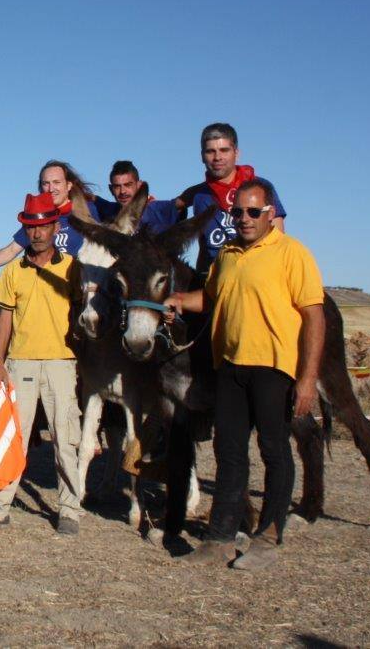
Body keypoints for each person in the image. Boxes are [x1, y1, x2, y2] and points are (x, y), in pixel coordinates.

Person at [166, 180, 325, 570]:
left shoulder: (292, 253)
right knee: (229, 452)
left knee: (273, 449)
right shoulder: (228, 255)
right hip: (231, 366)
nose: (245, 219)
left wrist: (306, 379)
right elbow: (211, 298)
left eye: (254, 211)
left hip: (273, 366)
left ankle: (268, 537)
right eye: (238, 212)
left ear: (271, 212)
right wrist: (176, 301)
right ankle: (219, 538)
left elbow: (313, 315)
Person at [0, 192, 85, 534]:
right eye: (30, 227)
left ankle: (69, 511)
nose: (36, 233)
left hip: (62, 364)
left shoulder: (72, 269)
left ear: (54, 227)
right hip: (20, 363)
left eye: (43, 226)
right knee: (10, 436)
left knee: (66, 438)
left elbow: (81, 314)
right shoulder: (13, 272)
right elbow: (3, 319)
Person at [177, 123, 286, 278]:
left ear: (236, 153)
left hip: (257, 274)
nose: (217, 157)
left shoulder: (260, 187)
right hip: (216, 278)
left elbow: (278, 237)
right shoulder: (200, 195)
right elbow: (204, 246)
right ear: (202, 156)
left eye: (224, 150)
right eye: (210, 151)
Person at [0, 160, 99, 268]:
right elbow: (11, 250)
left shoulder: (91, 208)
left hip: (81, 284)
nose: (51, 189)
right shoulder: (38, 219)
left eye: (57, 182)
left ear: (69, 185)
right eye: (46, 183)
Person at [94, 160, 184, 234]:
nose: (122, 191)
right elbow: (89, 197)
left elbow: (183, 200)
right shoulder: (109, 210)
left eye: (128, 185)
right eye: (117, 186)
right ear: (111, 189)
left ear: (139, 185)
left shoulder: (156, 209)